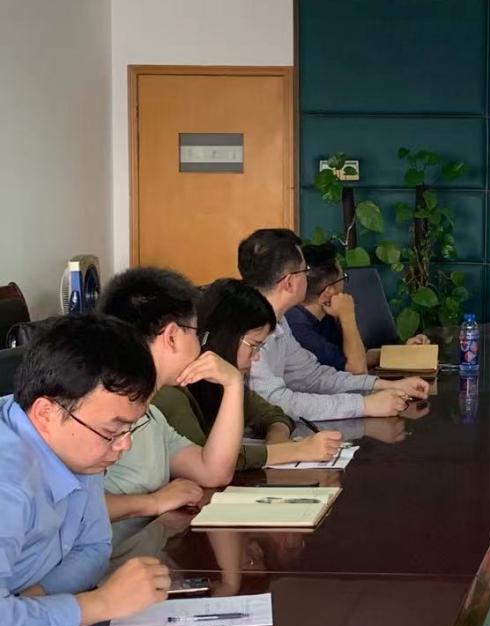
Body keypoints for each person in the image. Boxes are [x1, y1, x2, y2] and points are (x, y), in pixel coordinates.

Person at [1, 315, 171, 626]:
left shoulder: (80, 449)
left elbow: (93, 548)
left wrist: (34, 600)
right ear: (46, 414)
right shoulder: (9, 484)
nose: (124, 445)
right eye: (112, 431)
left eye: (129, 429)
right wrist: (100, 605)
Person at [98, 268, 249, 542]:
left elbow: (213, 472)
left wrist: (233, 385)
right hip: (107, 564)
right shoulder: (97, 413)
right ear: (171, 336)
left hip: (145, 554)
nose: (201, 347)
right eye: (196, 335)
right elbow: (70, 508)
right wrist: (152, 502)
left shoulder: (152, 415)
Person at [238, 228, 429, 420]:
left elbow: (313, 377)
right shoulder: (250, 328)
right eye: (305, 271)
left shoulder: (279, 321)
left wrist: (386, 385)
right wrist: (364, 405)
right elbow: (276, 403)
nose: (309, 278)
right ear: (289, 283)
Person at [154, 278, 343, 469]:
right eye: (253, 346)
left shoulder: (217, 382)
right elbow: (208, 461)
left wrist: (277, 440)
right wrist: (296, 450)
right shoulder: (170, 392)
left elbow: (274, 414)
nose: (256, 357)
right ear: (225, 337)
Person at [286, 243, 428, 375]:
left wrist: (404, 352)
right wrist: (347, 315)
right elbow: (357, 370)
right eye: (343, 278)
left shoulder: (325, 315)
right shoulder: (297, 328)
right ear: (328, 292)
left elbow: (358, 357)